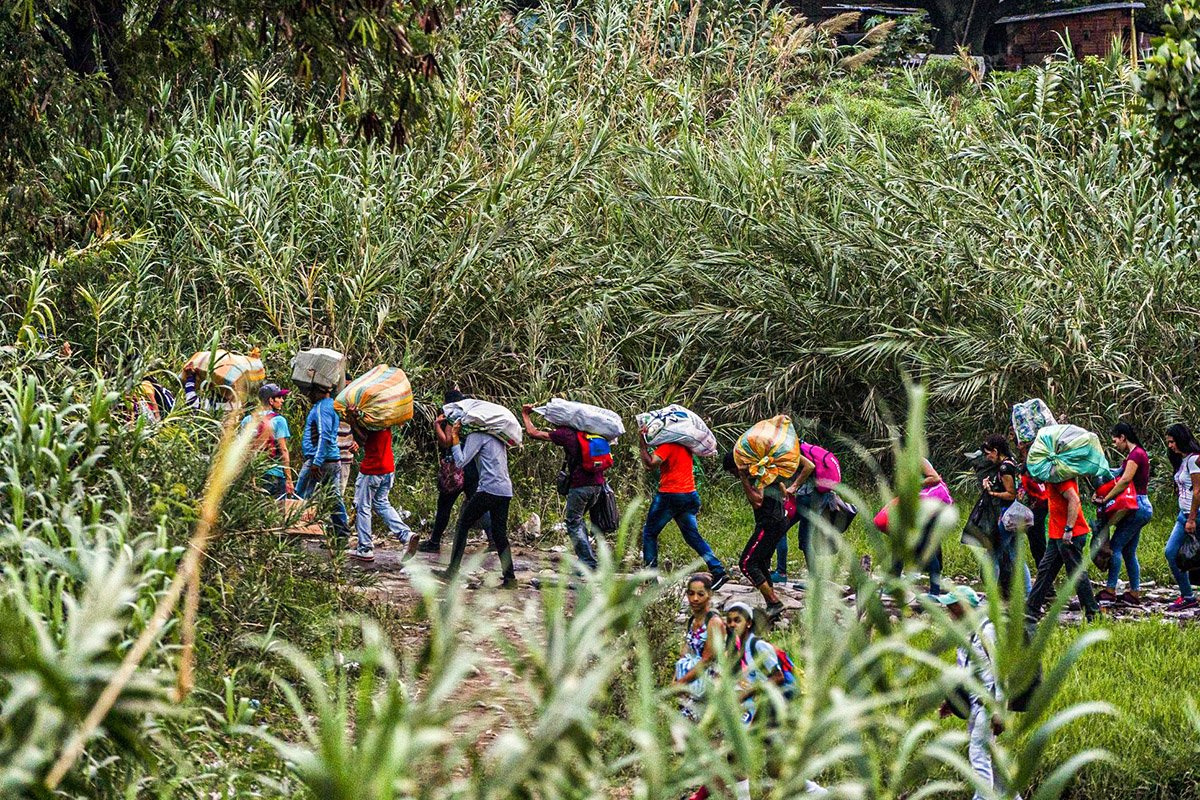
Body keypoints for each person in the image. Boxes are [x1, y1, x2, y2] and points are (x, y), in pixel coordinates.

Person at [936, 586, 1024, 800]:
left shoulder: (988, 632)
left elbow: (1001, 674)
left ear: (962, 608)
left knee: (978, 753)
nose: (947, 612)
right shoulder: (966, 632)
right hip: (976, 704)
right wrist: (952, 700)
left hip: (988, 703)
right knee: (991, 759)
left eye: (951, 607)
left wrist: (999, 710)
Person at [723, 450, 815, 621]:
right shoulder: (766, 469)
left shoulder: (756, 473)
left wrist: (744, 478)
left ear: (736, 466)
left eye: (732, 471)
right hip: (780, 521)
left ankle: (774, 602)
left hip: (769, 523)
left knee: (746, 563)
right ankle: (772, 607)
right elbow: (781, 489)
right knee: (761, 562)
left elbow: (757, 501)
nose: (733, 475)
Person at [432, 416, 517, 588]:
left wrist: (455, 437)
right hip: (505, 490)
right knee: (500, 533)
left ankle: (452, 571)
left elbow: (461, 461)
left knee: (463, 524)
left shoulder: (476, 437)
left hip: (489, 489)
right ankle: (510, 579)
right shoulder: (497, 436)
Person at [522, 403, 606, 572]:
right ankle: (590, 559)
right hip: (598, 485)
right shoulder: (589, 432)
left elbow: (533, 433)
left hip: (581, 486)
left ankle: (588, 563)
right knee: (579, 520)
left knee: (573, 523)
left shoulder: (566, 433)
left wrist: (525, 414)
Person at [639, 434, 728, 589]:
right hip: (690, 496)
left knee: (649, 533)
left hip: (670, 496)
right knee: (692, 536)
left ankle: (651, 579)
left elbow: (650, 464)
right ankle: (718, 570)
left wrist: (642, 445)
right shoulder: (687, 447)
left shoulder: (667, 446)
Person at [420, 387, 492, 554]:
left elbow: (446, 441)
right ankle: (493, 539)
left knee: (445, 505)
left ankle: (435, 541)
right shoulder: (471, 417)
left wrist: (437, 425)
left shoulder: (452, 417)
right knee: (479, 504)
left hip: (456, 467)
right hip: (472, 467)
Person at [1092, 422, 1152, 605]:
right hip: (1143, 505)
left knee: (1116, 546)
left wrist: (1105, 498)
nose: (1115, 443)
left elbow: (1125, 480)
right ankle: (1134, 591)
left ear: (1123, 437)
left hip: (1137, 506)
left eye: (1115, 440)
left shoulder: (1135, 455)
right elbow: (1116, 474)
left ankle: (1110, 589)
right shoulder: (1136, 455)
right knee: (1129, 551)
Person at [1025, 477, 1100, 623]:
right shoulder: (1052, 479)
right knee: (1045, 570)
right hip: (1057, 534)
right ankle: (1031, 610)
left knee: (1076, 573)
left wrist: (1069, 529)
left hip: (1070, 534)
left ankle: (1093, 613)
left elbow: (1074, 500)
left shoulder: (1059, 479)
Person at [346, 417, 420, 562]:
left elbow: (362, 439)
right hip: (388, 468)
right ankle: (406, 535)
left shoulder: (370, 417)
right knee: (381, 503)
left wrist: (352, 420)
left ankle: (365, 548)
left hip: (372, 469)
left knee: (363, 507)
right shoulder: (384, 416)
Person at [294, 385, 350, 538]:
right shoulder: (332, 405)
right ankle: (342, 533)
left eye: (310, 392)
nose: (308, 395)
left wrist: (316, 463)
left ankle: (294, 533)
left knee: (300, 495)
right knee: (333, 497)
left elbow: (324, 436)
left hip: (319, 461)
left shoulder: (322, 408)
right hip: (332, 459)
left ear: (319, 391)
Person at [981, 434, 1030, 599]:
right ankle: (1028, 594)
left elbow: (1010, 494)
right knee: (1016, 555)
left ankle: (991, 595)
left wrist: (991, 492)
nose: (988, 457)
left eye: (989, 453)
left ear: (995, 451)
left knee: (992, 555)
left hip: (1008, 516)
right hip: (1016, 515)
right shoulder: (1012, 463)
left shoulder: (1004, 468)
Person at [673, 573, 725, 722]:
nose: (695, 599)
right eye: (691, 594)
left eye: (700, 594)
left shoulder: (713, 623)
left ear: (709, 595)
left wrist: (681, 683)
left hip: (707, 682)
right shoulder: (692, 621)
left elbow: (707, 660)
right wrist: (675, 680)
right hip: (689, 680)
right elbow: (684, 653)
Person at [1164, 423, 1200, 612]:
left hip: (1194, 515)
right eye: (1168, 442)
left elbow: (1198, 491)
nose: (1170, 445)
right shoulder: (1183, 461)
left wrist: (1192, 518)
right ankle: (1187, 595)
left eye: (1172, 441)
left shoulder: (1194, 460)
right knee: (1171, 551)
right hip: (1183, 514)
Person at [239, 383, 293, 499]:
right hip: (275, 475)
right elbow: (283, 450)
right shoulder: (279, 421)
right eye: (279, 397)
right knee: (278, 512)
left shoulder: (247, 420)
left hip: (254, 475)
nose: (282, 400)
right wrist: (289, 478)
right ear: (271, 401)